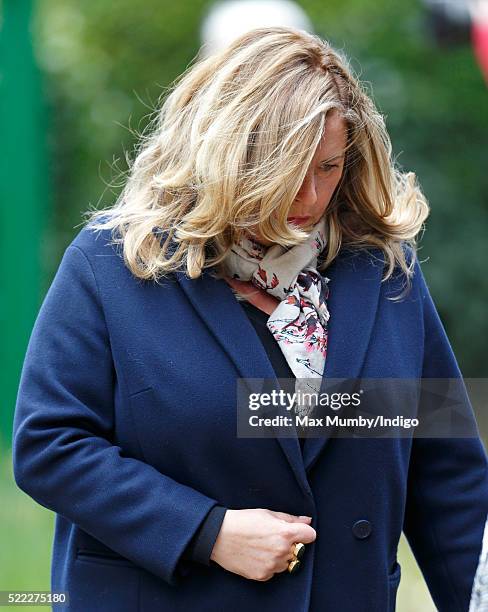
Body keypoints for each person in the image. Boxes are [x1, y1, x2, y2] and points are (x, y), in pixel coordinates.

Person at [12, 26, 488, 612]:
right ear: (225, 154)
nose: (310, 198)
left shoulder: (384, 273)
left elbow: (445, 473)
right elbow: (50, 446)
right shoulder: (112, 264)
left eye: (330, 167)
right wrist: (206, 532)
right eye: (288, 170)